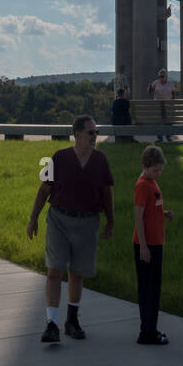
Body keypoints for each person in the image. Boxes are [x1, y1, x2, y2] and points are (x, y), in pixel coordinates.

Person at [26, 115, 114, 345]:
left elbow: (107, 193)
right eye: (91, 133)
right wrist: (33, 219)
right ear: (77, 134)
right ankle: (51, 324)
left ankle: (72, 321)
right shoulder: (60, 158)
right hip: (59, 220)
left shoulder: (100, 160)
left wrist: (110, 222)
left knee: (77, 272)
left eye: (96, 133)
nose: (95, 137)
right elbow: (44, 190)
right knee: (54, 271)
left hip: (87, 222)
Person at [133, 145, 173, 345]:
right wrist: (143, 247)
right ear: (145, 167)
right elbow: (138, 218)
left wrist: (163, 213)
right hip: (147, 245)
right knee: (149, 290)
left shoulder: (152, 183)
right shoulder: (142, 185)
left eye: (160, 169)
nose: (158, 173)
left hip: (156, 242)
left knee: (154, 289)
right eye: (155, 169)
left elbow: (151, 209)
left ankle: (150, 329)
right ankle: (148, 332)